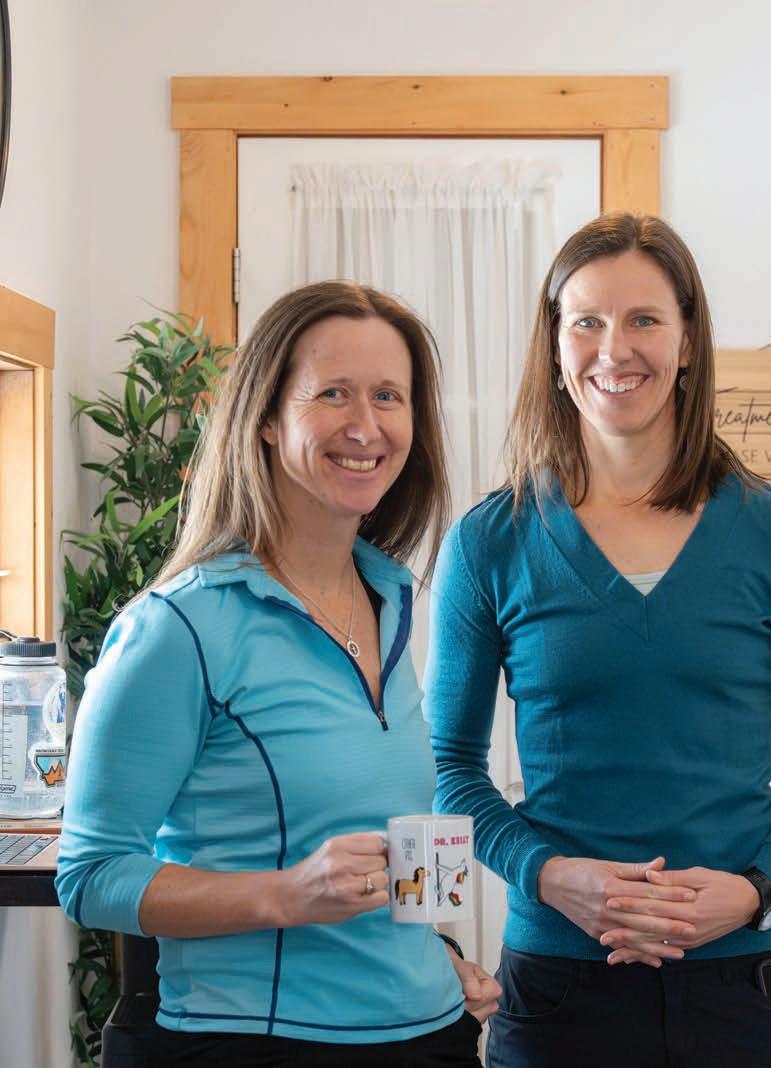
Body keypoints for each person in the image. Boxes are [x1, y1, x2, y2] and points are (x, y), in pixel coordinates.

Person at [426, 214, 771, 1067]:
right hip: (558, 990)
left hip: (743, 982)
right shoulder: (489, 543)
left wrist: (756, 888)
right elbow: (449, 766)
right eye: (586, 321)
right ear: (555, 345)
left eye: (643, 320)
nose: (613, 349)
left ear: (688, 341)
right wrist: (551, 876)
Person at [57, 281, 500, 1066]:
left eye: (388, 396)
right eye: (333, 393)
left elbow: (378, 844)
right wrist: (285, 895)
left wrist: (435, 960)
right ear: (266, 418)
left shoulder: (393, 601)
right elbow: (92, 876)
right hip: (252, 1043)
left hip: (430, 1034)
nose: (365, 425)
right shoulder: (179, 627)